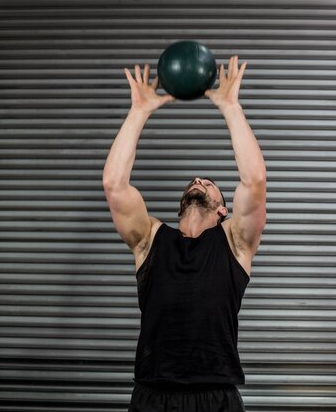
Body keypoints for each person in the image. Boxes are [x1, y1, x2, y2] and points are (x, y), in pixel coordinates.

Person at [103, 56, 266, 412]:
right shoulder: (150, 240)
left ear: (223, 209)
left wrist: (231, 107)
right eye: (194, 181)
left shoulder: (235, 243)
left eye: (208, 183)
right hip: (152, 395)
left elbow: (254, 181)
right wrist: (139, 111)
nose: (198, 181)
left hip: (216, 396)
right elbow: (115, 185)